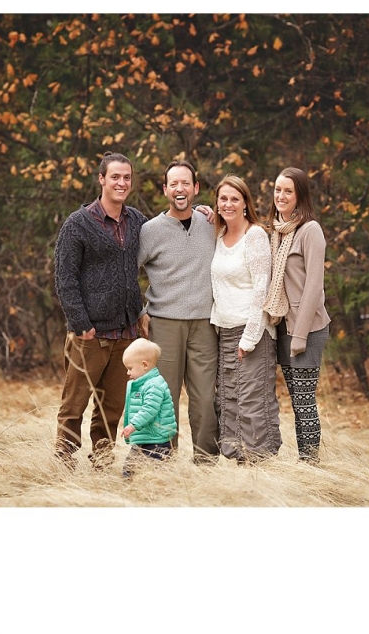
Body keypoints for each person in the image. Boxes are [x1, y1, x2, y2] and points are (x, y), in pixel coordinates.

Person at [53, 151, 147, 469]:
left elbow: (166, 232)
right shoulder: (78, 224)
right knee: (74, 404)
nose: (122, 182)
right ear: (102, 179)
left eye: (127, 177)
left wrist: (201, 212)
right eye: (115, 177)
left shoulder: (136, 221)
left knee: (112, 408)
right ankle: (63, 460)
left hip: (125, 333)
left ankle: (102, 462)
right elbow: (65, 278)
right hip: (90, 334)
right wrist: (81, 324)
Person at [137, 160, 220, 465]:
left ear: (196, 188)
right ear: (165, 190)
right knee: (164, 399)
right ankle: (161, 463)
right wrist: (138, 311)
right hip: (165, 325)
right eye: (174, 184)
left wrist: (212, 211)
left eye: (185, 183)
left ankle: (206, 464)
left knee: (205, 399)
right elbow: (125, 271)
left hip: (204, 323)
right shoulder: (150, 231)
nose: (180, 189)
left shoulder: (212, 224)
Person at [209, 174, 282, 463]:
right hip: (223, 330)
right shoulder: (217, 236)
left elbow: (260, 290)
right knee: (229, 402)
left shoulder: (255, 236)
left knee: (253, 403)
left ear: (245, 203)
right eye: (223, 198)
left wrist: (249, 338)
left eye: (234, 199)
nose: (228, 204)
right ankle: (241, 467)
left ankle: (260, 466)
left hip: (252, 333)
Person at [263, 167, 331, 464]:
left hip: (307, 330)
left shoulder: (310, 230)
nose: (281, 196)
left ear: (300, 195)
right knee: (296, 401)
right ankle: (305, 463)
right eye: (278, 189)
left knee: (304, 403)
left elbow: (314, 286)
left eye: (288, 191)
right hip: (283, 328)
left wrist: (300, 336)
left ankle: (310, 464)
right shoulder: (276, 230)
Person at [119, 338, 178, 478]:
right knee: (129, 470)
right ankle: (128, 492)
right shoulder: (143, 384)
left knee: (158, 472)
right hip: (144, 437)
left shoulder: (154, 385)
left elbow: (149, 409)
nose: (128, 373)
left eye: (130, 368)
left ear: (144, 365)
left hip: (157, 440)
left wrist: (133, 425)